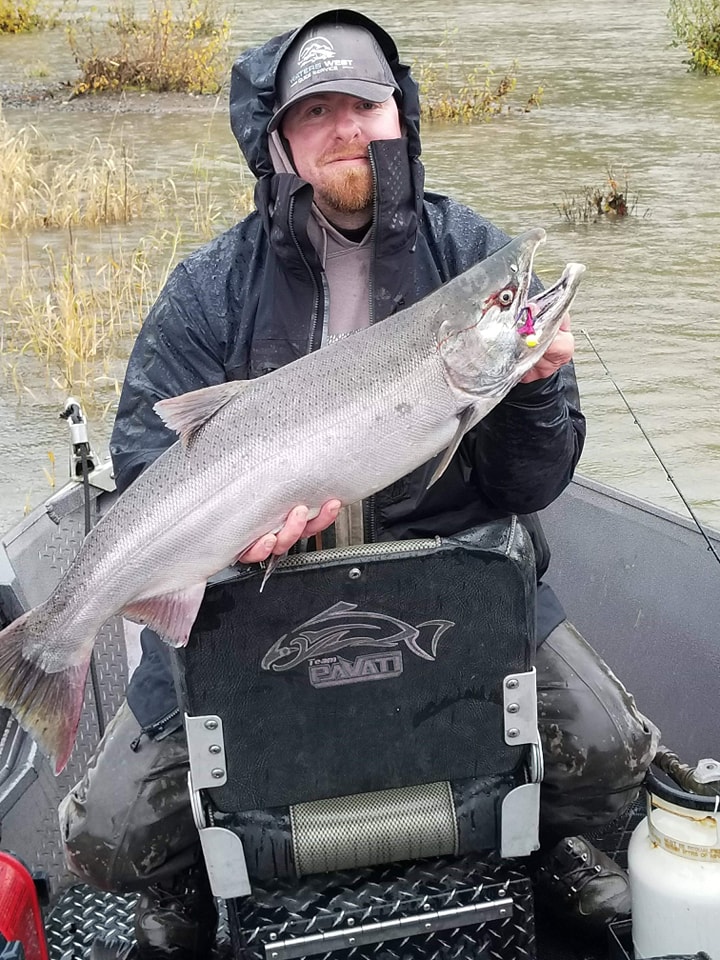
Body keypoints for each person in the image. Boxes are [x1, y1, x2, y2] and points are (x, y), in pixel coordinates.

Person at [59, 10, 659, 958]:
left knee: (616, 751)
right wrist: (220, 549)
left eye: (365, 106)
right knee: (104, 840)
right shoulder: (209, 288)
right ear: (280, 143)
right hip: (249, 606)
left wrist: (535, 391)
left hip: (452, 579)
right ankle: (180, 887)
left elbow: (531, 485)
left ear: (401, 117)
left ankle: (555, 843)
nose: (346, 128)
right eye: (317, 112)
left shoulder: (475, 260)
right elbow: (144, 463)